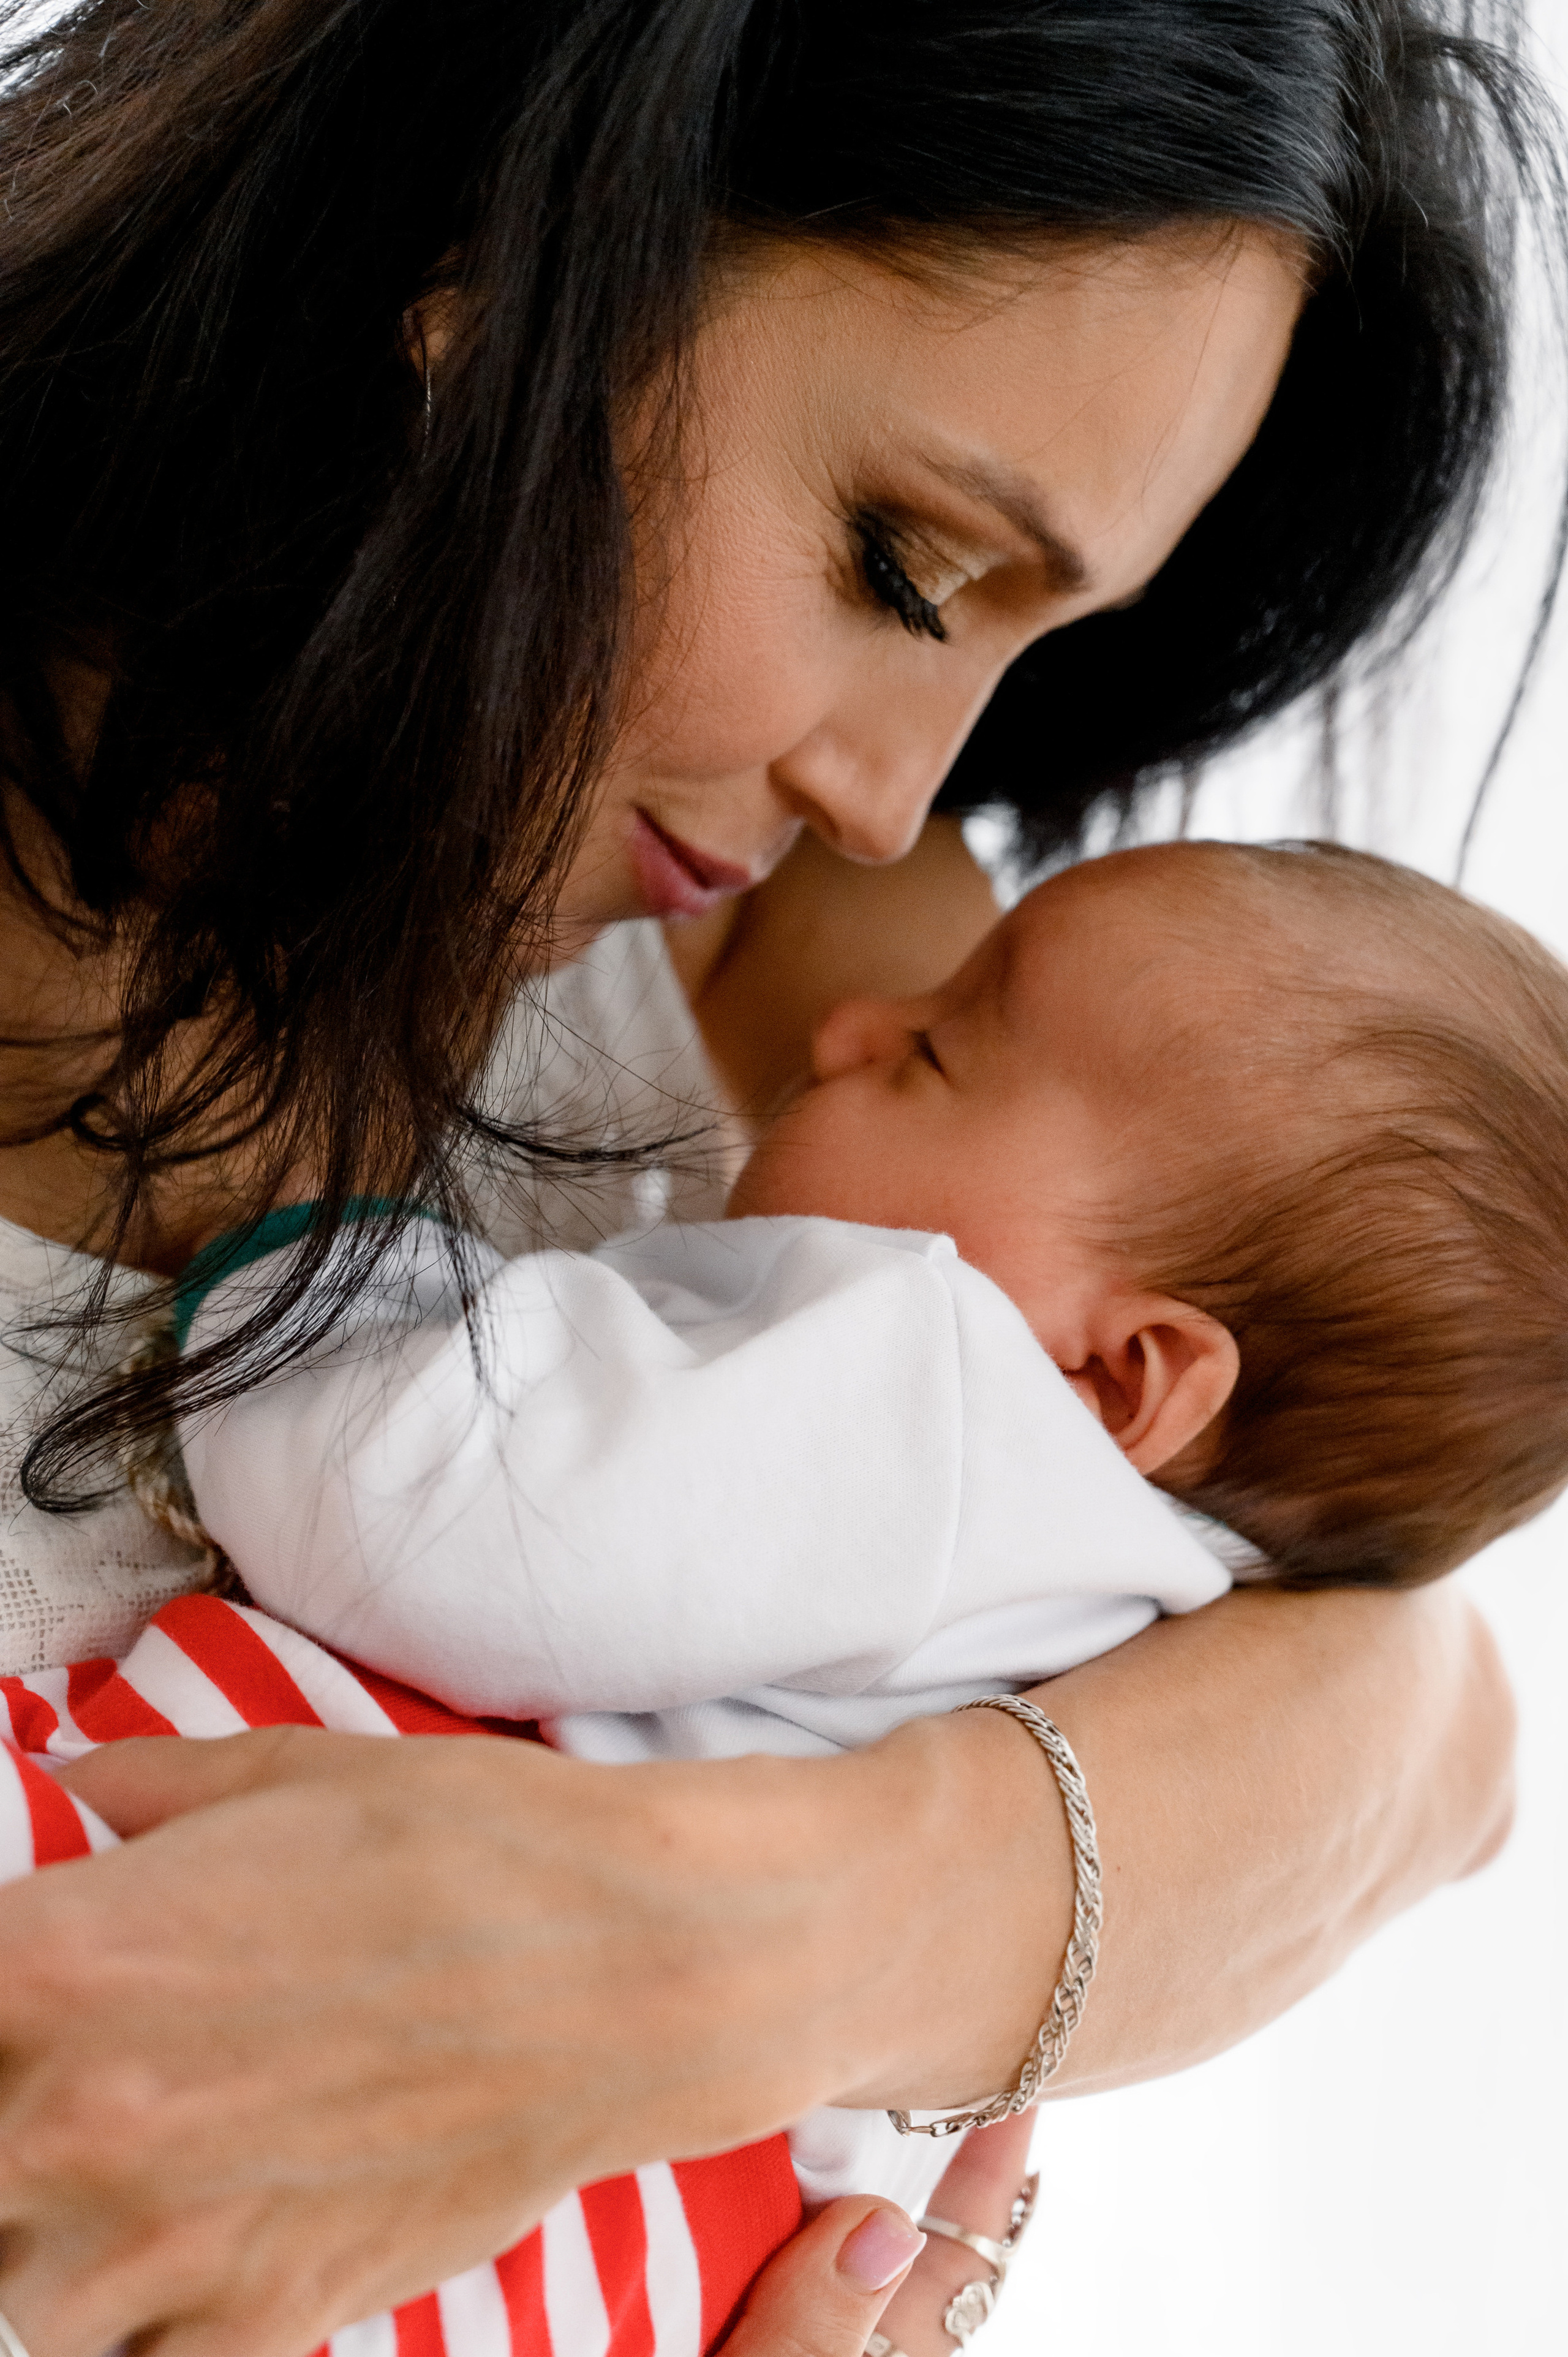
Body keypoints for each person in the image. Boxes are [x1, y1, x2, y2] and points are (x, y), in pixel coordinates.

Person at [0, 4, 1537, 2355]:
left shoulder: (767, 938)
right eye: (907, 563)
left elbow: (1416, 1721)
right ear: (493, 250)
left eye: (1033, 646)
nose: (901, 809)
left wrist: (700, 1961)